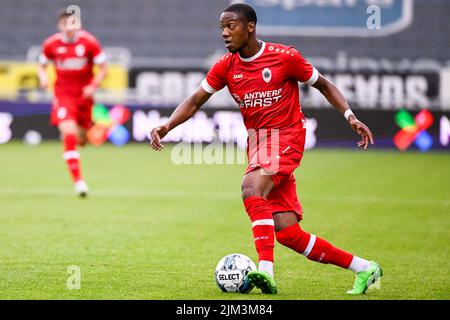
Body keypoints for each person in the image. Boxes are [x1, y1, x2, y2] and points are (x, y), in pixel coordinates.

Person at [150, 3, 382, 295]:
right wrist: (166, 126)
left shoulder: (285, 58)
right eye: (221, 27)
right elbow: (196, 100)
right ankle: (365, 268)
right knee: (287, 232)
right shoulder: (226, 66)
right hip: (259, 143)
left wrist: (351, 117)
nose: (224, 33)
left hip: (287, 136)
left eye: (230, 26)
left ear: (250, 27)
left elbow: (323, 84)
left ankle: (265, 271)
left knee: (251, 187)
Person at [38, 8, 108, 197]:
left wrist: (93, 85)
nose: (70, 28)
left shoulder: (89, 42)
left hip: (85, 97)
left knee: (82, 139)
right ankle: (79, 182)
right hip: (63, 95)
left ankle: (76, 137)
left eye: (73, 24)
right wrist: (43, 77)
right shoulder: (51, 44)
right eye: (66, 24)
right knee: (69, 133)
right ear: (60, 26)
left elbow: (104, 68)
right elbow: (41, 65)